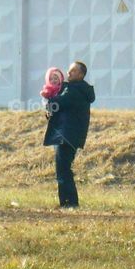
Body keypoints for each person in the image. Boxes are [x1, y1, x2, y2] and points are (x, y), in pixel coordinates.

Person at [43, 61, 95, 208]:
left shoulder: (74, 90)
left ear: (81, 74)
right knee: (65, 168)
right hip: (71, 136)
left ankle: (69, 203)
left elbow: (59, 102)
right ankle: (69, 202)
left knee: (63, 170)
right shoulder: (80, 89)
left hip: (66, 136)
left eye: (73, 71)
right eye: (69, 70)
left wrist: (48, 96)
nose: (69, 73)